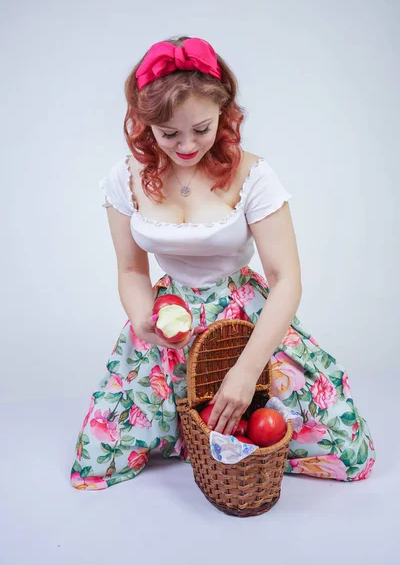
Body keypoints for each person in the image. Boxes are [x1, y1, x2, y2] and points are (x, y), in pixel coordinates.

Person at [70, 36, 376, 491]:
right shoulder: (124, 178)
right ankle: (187, 432)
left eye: (202, 128)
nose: (187, 145)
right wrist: (142, 319)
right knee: (95, 462)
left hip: (247, 321)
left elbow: (286, 279)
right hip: (170, 320)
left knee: (348, 451)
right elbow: (133, 271)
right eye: (169, 133)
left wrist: (247, 370)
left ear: (225, 114)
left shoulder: (254, 175)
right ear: (143, 122)